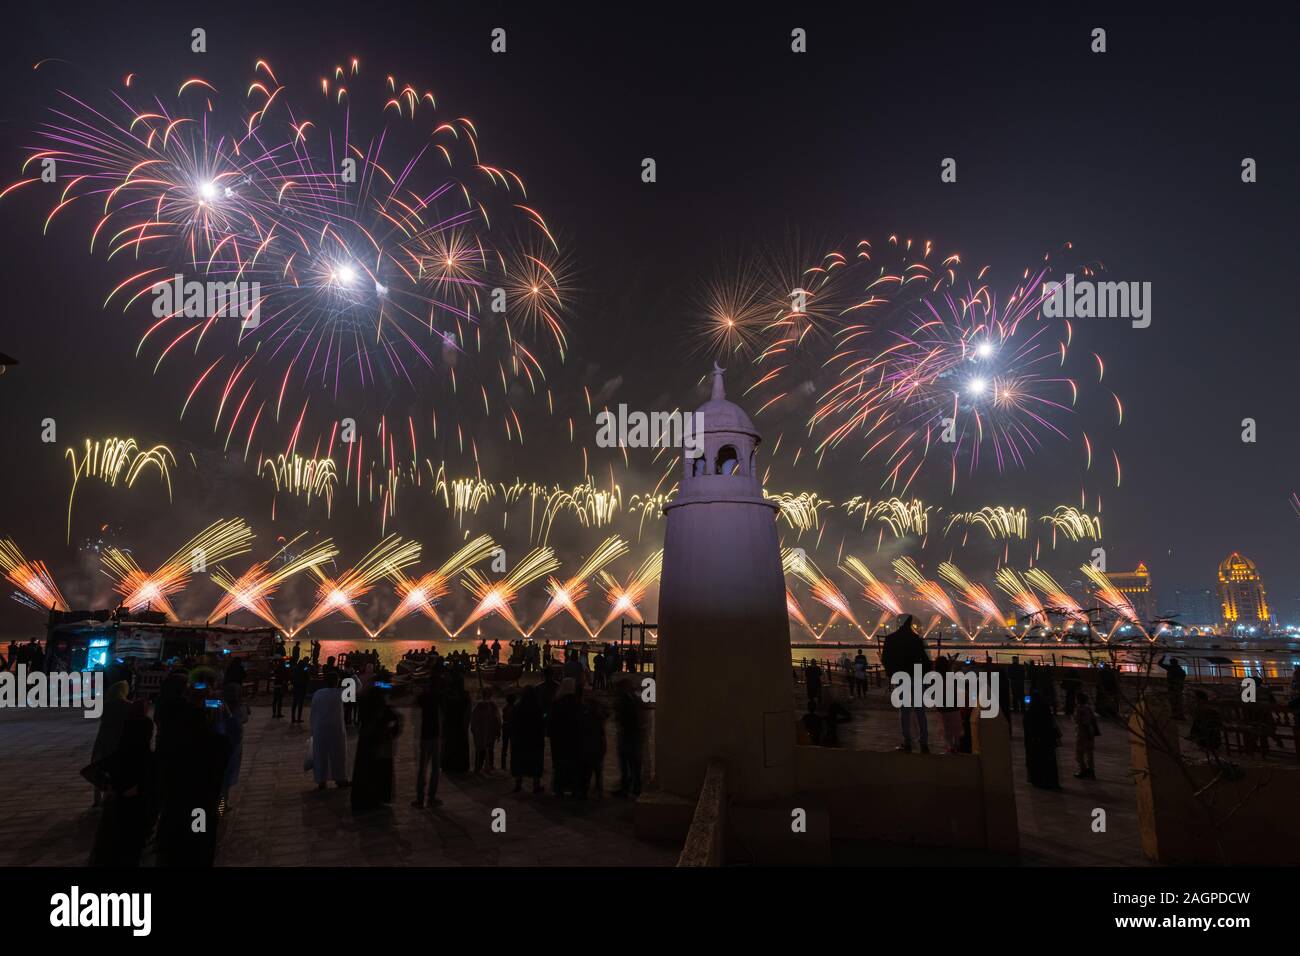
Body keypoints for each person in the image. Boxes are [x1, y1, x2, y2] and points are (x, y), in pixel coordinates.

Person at [156, 695, 232, 866]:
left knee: (180, 843)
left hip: (179, 803)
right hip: (207, 800)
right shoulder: (218, 744)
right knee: (202, 839)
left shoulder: (175, 745)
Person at [89, 702, 158, 867]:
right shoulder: (149, 759)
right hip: (137, 812)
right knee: (131, 850)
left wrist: (110, 788)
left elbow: (92, 771)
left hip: (116, 811)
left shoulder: (120, 755)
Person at [881, 614, 930, 753]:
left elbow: (885, 659)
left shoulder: (890, 639)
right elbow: (926, 662)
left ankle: (907, 742)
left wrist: (892, 674)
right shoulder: (916, 639)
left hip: (901, 678)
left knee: (904, 711)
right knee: (920, 711)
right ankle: (924, 742)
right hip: (917, 678)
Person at [351, 686, 402, 814]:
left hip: (368, 746)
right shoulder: (383, 710)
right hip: (380, 746)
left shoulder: (368, 708)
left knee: (367, 772)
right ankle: (377, 798)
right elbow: (397, 720)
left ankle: (368, 799)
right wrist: (390, 733)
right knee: (380, 772)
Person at [89, 680, 131, 807]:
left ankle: (98, 798)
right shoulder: (128, 705)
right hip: (119, 739)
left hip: (104, 739)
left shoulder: (106, 705)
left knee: (101, 768)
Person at [310, 672, 349, 790]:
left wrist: (313, 729)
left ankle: (321, 780)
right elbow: (358, 687)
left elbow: (313, 713)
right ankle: (340, 778)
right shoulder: (340, 693)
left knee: (321, 755)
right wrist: (351, 675)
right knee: (338, 755)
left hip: (320, 728)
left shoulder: (318, 694)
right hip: (336, 729)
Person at [548, 678, 583, 796]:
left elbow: (551, 721)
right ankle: (573, 787)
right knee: (572, 763)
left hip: (559, 739)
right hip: (572, 738)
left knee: (559, 764)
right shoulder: (576, 703)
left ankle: (559, 787)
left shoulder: (557, 702)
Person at [413, 677, 443, 807]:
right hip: (435, 735)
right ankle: (431, 797)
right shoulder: (437, 698)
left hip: (426, 735)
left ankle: (420, 798)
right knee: (435, 768)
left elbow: (417, 699)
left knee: (422, 768)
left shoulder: (423, 699)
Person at [511, 685, 546, 793]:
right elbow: (541, 722)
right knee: (535, 761)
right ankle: (536, 785)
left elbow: (514, 722)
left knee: (520, 761)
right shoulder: (537, 707)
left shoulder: (518, 706)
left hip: (521, 739)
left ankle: (518, 784)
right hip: (534, 738)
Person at [1023, 693, 1062, 789]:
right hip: (1047, 742)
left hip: (1036, 742)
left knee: (1038, 762)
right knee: (1049, 763)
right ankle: (1050, 781)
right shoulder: (1046, 710)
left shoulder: (1030, 712)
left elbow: (1028, 728)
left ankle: (1039, 780)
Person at [440, 676, 471, 773]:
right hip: (454, 725)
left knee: (453, 746)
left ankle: (454, 766)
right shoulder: (462, 696)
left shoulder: (451, 696)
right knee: (453, 746)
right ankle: (454, 766)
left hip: (455, 725)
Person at [580, 690, 608, 798]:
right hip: (597, 747)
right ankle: (599, 791)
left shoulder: (586, 716)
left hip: (589, 747)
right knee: (597, 771)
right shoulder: (598, 717)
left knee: (588, 772)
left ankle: (585, 792)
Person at [471, 690, 502, 772]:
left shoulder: (481, 706)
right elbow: (497, 719)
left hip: (482, 732)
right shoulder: (491, 705)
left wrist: (474, 729)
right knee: (488, 749)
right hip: (488, 732)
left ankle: (479, 766)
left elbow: (474, 719)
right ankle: (488, 766)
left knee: (481, 750)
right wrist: (498, 731)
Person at [1073, 691, 1098, 779]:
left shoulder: (1080, 710)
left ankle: (1083, 770)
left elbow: (1083, 722)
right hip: (1089, 733)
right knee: (1089, 753)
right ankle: (1091, 771)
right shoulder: (1088, 709)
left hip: (1083, 733)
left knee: (1079, 753)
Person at [290, 658, 310, 723]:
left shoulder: (295, 670)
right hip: (302, 688)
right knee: (300, 704)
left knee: (294, 703)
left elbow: (292, 678)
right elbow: (308, 677)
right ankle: (298, 718)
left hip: (296, 688)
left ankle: (293, 718)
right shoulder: (304, 670)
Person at [501, 692, 517, 767]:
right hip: (512, 728)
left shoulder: (505, 708)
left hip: (506, 727)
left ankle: (503, 764)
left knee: (505, 746)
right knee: (513, 747)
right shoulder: (515, 708)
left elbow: (504, 718)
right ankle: (512, 763)